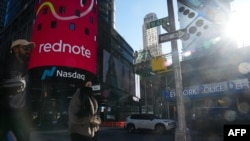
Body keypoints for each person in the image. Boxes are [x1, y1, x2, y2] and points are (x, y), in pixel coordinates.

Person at [0, 39, 35, 141]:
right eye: (26, 49)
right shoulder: (4, 66)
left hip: (22, 119)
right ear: (15, 50)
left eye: (30, 50)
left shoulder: (27, 70)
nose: (29, 52)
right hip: (6, 118)